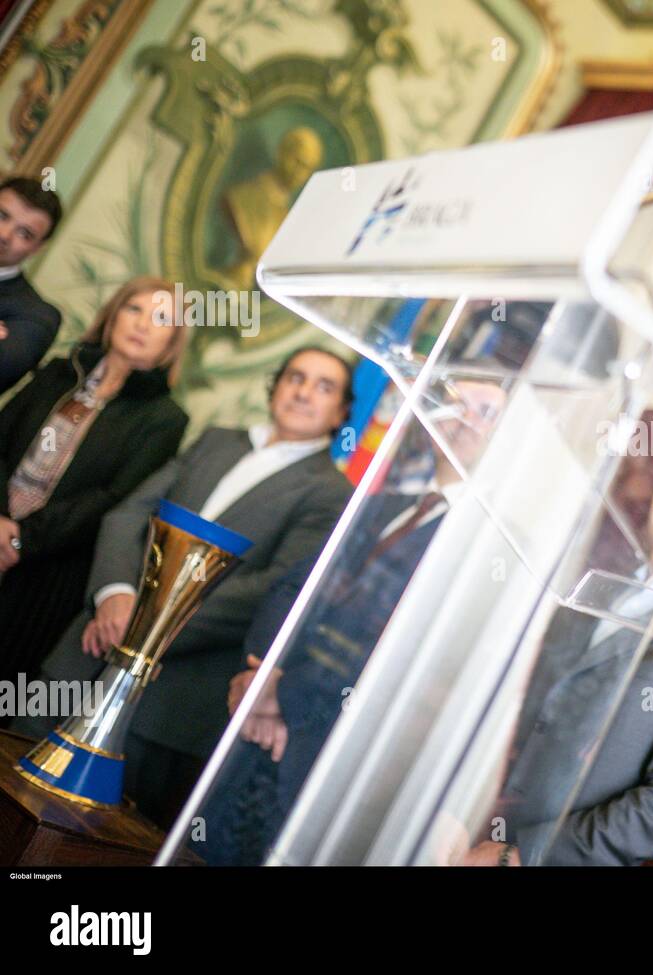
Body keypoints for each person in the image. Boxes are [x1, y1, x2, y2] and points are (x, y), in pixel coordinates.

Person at [15, 346, 355, 828]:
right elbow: (131, 513)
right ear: (275, 385)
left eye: (324, 387)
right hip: (88, 649)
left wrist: (141, 626)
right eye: (296, 377)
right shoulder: (218, 440)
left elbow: (271, 590)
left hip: (165, 703)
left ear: (342, 412)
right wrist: (113, 592)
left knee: (82, 838)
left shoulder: (331, 492)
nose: (303, 392)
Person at [198, 372, 509, 865]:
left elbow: (406, 653)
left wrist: (283, 694)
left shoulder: (490, 549)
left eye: (486, 411)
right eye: (453, 403)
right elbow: (295, 587)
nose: (463, 418)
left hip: (332, 766)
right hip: (252, 733)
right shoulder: (378, 505)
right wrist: (261, 669)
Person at [460, 436, 653, 866]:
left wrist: (522, 855)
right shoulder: (589, 589)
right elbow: (512, 703)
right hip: (461, 832)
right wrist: (456, 808)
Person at [0, 277, 189, 694]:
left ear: (172, 343)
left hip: (46, 571)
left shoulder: (165, 418)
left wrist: (20, 542)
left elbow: (113, 499)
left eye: (161, 319)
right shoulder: (57, 373)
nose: (142, 324)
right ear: (112, 316)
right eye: (133, 309)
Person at [0, 176, 63, 394]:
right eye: (2, 216)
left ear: (37, 248)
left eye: (24, 233)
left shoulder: (35, 316)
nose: (4, 235)